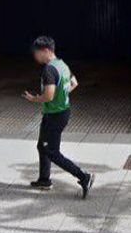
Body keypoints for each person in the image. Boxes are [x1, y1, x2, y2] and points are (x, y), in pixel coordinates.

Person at [23, 36, 95, 198]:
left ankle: (84, 177)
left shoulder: (49, 70)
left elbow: (48, 96)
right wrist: (61, 95)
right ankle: (44, 180)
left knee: (52, 152)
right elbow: (74, 83)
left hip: (54, 116)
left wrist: (34, 99)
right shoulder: (62, 65)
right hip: (62, 112)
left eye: (36, 53)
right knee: (42, 146)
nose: (35, 56)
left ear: (45, 51)